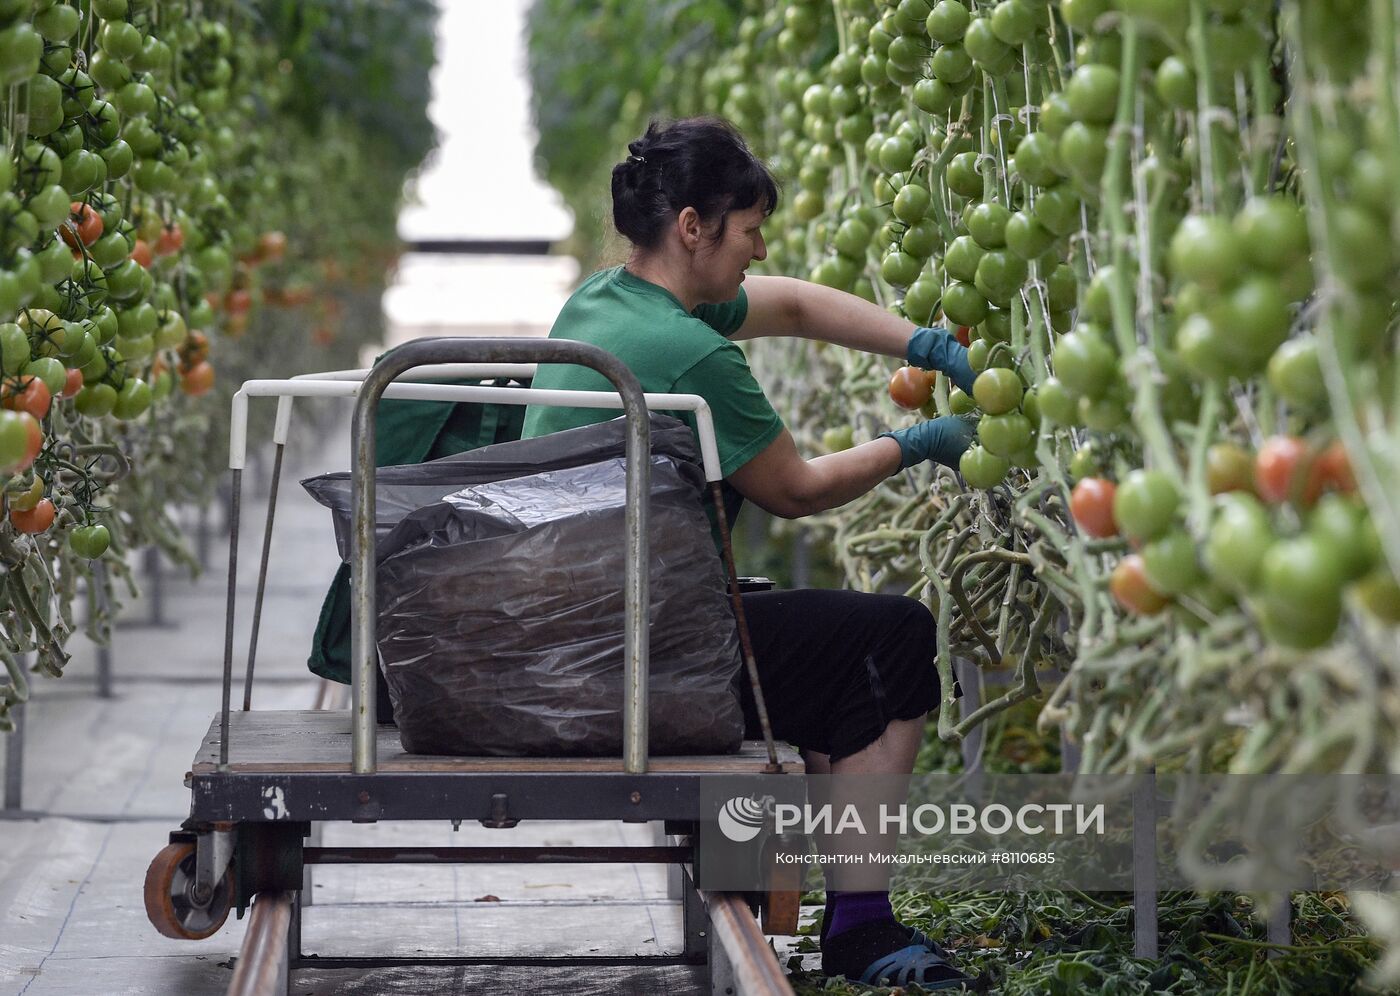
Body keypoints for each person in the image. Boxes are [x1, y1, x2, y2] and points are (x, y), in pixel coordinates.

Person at [521, 117, 977, 990]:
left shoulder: (606, 300)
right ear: (693, 227)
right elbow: (797, 491)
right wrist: (918, 442)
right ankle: (860, 927)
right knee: (889, 639)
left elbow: (798, 304)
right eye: (750, 230)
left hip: (568, 628)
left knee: (814, 636)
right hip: (636, 660)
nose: (759, 248)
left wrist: (924, 345)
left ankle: (818, 889)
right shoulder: (690, 353)